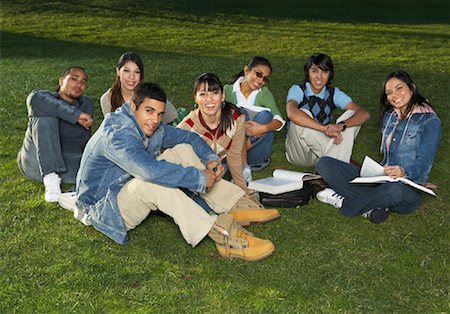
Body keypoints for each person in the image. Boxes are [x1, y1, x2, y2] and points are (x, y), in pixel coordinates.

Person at [65, 82, 279, 261]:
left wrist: (211, 158)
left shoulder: (148, 124)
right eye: (149, 111)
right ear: (132, 106)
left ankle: (234, 204)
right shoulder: (118, 135)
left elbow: (189, 137)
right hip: (104, 207)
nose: (155, 120)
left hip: (127, 184)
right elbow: (149, 171)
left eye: (159, 113)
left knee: (183, 150)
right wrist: (198, 177)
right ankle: (221, 233)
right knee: (151, 183)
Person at [315, 70, 441, 224]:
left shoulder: (429, 121)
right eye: (389, 92)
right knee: (325, 164)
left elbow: (424, 162)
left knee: (394, 190)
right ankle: (374, 206)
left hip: (408, 188)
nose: (394, 95)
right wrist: (378, 171)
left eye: (399, 88)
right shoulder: (390, 116)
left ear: (412, 88)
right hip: (382, 179)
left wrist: (404, 172)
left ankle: (346, 204)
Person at [17, 66, 93, 202]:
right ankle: (51, 180)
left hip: (67, 164)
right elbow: (34, 98)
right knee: (45, 118)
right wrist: (76, 115)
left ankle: (73, 196)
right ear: (61, 81)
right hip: (35, 163)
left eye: (83, 82)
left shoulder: (86, 104)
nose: (79, 84)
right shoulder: (42, 99)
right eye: (74, 79)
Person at [285, 53, 370, 167]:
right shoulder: (298, 90)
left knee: (352, 114)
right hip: (301, 152)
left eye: (324, 72)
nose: (319, 76)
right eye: (314, 71)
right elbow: (291, 113)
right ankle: (342, 162)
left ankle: (336, 161)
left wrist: (340, 126)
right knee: (302, 114)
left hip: (322, 150)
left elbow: (364, 114)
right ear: (308, 73)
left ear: (330, 74)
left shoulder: (333, 93)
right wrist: (323, 128)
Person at [178, 73, 248, 192]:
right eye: (203, 94)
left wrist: (242, 189)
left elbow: (234, 155)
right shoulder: (187, 125)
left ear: (222, 96)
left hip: (220, 168)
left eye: (214, 93)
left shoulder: (236, 118)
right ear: (195, 98)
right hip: (197, 172)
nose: (209, 99)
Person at [223, 56, 285, 173]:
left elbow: (279, 121)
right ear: (247, 70)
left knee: (266, 116)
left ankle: (234, 158)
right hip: (231, 140)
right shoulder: (227, 91)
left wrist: (261, 128)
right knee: (241, 114)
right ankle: (240, 164)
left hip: (256, 153)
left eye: (265, 79)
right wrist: (241, 126)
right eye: (259, 74)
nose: (261, 81)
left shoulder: (264, 94)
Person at [100, 52, 178, 124]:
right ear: (118, 71)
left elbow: (172, 115)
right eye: (126, 71)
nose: (132, 77)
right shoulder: (107, 99)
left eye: (137, 72)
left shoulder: (148, 93)